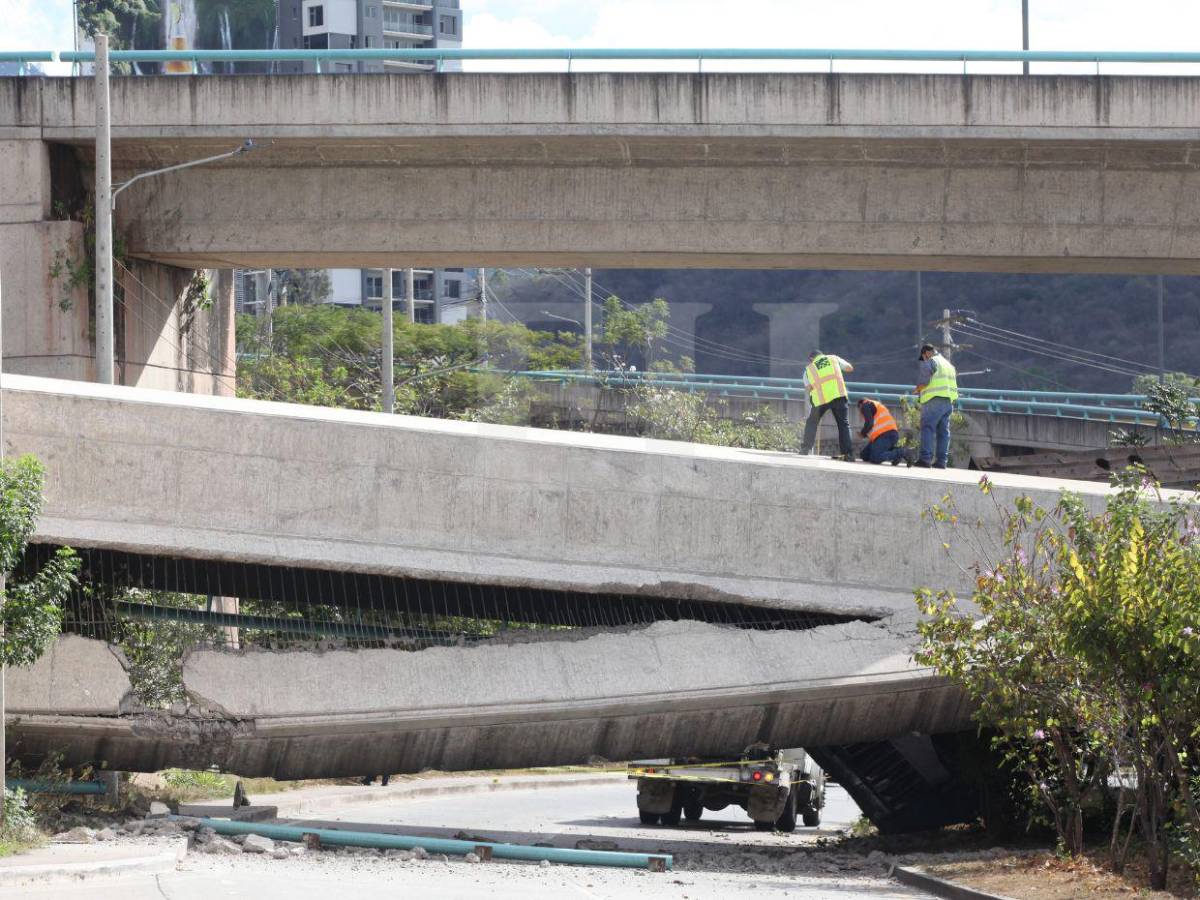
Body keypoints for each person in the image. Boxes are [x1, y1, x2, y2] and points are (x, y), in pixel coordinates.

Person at [800, 350, 854, 460]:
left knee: (812, 422)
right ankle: (848, 454)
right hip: (839, 395)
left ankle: (805, 449)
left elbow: (809, 387)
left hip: (821, 400)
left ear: (811, 359)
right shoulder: (833, 358)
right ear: (822, 355)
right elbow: (849, 368)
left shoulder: (808, 369)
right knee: (843, 424)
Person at [914, 343, 958, 469]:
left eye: (923, 357)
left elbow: (924, 379)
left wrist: (917, 390)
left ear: (927, 353)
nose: (923, 360)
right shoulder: (948, 364)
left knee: (927, 428)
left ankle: (925, 459)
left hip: (934, 400)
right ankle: (941, 461)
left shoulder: (931, 361)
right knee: (943, 432)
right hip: (948, 401)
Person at [857, 398, 911, 466]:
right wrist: (865, 434)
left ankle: (902, 452)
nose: (861, 413)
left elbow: (869, 423)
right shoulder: (873, 405)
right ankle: (896, 453)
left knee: (875, 458)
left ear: (860, 405)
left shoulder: (865, 405)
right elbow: (873, 426)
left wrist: (862, 433)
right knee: (864, 455)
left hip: (887, 435)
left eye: (860, 411)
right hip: (883, 436)